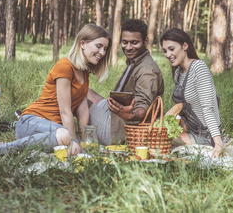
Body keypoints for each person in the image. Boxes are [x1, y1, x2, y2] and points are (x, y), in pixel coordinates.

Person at [0, 24, 111, 155]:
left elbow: (83, 111)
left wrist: (85, 142)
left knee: (76, 149)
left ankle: (33, 150)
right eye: (98, 46)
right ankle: (0, 149)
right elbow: (65, 111)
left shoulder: (84, 73)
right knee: (68, 138)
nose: (102, 53)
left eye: (105, 49)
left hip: (55, 131)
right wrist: (73, 139)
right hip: (31, 122)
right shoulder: (65, 66)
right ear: (82, 43)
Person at [88, 19, 164, 145]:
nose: (128, 47)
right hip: (116, 115)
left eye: (134, 43)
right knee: (81, 90)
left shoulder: (147, 71)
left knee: (77, 98)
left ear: (145, 41)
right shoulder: (136, 61)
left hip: (120, 132)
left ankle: (70, 139)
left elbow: (143, 107)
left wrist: (131, 115)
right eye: (125, 42)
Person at [160, 28, 224, 158]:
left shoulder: (199, 68)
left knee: (162, 143)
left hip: (207, 134)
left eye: (171, 49)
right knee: (155, 135)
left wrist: (218, 143)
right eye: (165, 51)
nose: (167, 54)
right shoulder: (178, 72)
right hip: (190, 127)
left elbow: (208, 108)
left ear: (185, 46)